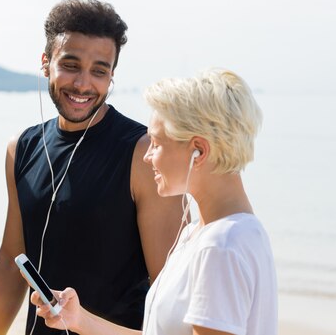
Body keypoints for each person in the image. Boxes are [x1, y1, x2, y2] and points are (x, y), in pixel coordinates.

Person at [0, 0, 183, 335]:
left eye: (99, 71)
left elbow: (170, 291)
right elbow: (10, 259)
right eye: (70, 65)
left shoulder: (144, 153)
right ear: (46, 63)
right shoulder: (21, 148)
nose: (83, 84)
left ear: (112, 75)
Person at [32, 68, 277, 335]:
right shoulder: (205, 234)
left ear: (200, 150)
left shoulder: (220, 246)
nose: (147, 156)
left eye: (157, 144)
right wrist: (80, 319)